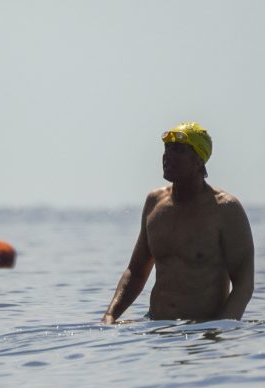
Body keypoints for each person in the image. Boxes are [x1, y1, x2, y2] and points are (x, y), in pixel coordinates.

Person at [102, 122, 254, 324]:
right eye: (167, 148)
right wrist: (110, 316)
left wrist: (222, 328)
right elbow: (136, 272)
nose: (168, 155)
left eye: (179, 150)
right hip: (156, 330)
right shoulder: (154, 203)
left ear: (199, 160)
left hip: (203, 332)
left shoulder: (225, 209)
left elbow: (244, 284)